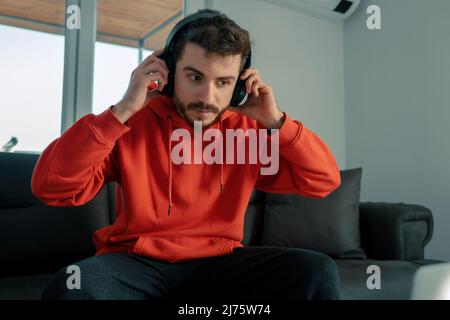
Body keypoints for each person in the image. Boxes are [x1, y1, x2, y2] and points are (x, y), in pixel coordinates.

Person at [32, 8, 342, 301]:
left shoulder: (249, 131)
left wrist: (278, 123)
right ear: (167, 71)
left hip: (220, 265)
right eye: (194, 77)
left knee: (315, 272)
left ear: (239, 86)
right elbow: (51, 187)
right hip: (136, 264)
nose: (208, 97)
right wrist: (122, 110)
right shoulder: (131, 122)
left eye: (223, 83)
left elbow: (324, 181)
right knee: (75, 285)